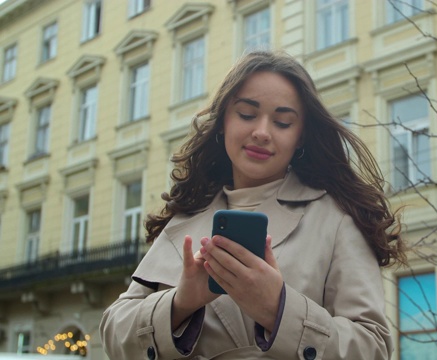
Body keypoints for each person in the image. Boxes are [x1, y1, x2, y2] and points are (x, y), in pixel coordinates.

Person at [100, 50, 405, 359]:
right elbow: (114, 333)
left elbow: (372, 347)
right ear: (222, 122)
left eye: (283, 122)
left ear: (300, 136)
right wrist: (180, 304)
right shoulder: (184, 218)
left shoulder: (336, 219)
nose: (261, 132)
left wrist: (278, 309)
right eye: (247, 114)